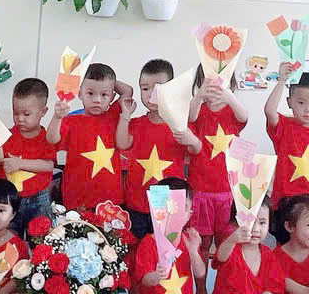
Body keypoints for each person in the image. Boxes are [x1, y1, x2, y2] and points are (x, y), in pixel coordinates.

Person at [128, 177, 221, 294]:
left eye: (182, 208)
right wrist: (157, 276)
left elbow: (200, 273)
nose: (173, 213)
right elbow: (145, 280)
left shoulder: (189, 240)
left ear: (188, 215)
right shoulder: (149, 242)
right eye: (168, 207)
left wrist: (193, 250)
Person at [117, 59, 201, 239]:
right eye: (145, 88)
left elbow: (196, 150)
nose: (151, 94)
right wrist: (125, 116)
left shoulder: (179, 124)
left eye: (158, 88)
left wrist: (192, 140)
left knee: (165, 248)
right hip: (137, 203)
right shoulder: (137, 124)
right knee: (137, 248)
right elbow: (122, 144)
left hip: (169, 205)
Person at [208, 202, 303, 294]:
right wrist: (232, 239)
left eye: (262, 223)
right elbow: (221, 257)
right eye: (250, 222)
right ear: (236, 223)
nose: (256, 229)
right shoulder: (231, 247)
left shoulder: (268, 254)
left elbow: (272, 288)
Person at [264, 67, 309, 243]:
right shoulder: (284, 127)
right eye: (301, 103)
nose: (308, 109)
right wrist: (282, 80)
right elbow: (269, 111)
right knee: (286, 246)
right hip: (288, 202)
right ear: (290, 102)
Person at [188, 66, 248, 260]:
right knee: (202, 243)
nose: (214, 90)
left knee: (226, 242)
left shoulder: (232, 112)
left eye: (219, 84)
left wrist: (229, 96)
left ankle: (224, 277)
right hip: (201, 190)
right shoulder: (199, 111)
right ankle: (202, 280)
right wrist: (199, 96)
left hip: (227, 191)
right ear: (199, 84)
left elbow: (244, 117)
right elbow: (190, 118)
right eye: (208, 84)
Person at [47, 63, 126, 208]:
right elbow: (51, 139)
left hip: (110, 200)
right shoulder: (70, 121)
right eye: (90, 93)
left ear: (112, 96)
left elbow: (128, 91)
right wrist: (57, 117)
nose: (97, 99)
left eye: (104, 95)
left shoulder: (114, 115)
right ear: (79, 93)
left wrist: (108, 81)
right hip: (77, 199)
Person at [0, 77, 57, 235]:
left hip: (38, 198)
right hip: (10, 199)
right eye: (16, 113)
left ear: (43, 112)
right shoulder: (7, 135)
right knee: (8, 238)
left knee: (40, 239)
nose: (20, 118)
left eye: (26, 114)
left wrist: (19, 164)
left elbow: (49, 165)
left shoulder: (47, 137)